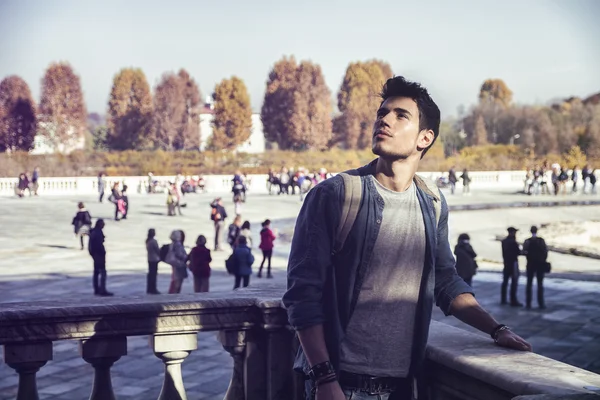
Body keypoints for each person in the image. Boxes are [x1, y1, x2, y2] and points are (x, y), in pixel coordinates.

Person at [283, 76, 531, 400]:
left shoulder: (433, 202)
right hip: (340, 385)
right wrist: (324, 379)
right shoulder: (335, 196)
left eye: (401, 115)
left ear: (424, 138)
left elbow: (444, 281)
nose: (384, 119)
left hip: (404, 386)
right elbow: (303, 295)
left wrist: (496, 329)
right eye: (382, 112)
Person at [523, 226, 548, 309]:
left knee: (529, 284)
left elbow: (524, 251)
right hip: (539, 265)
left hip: (530, 264)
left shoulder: (527, 241)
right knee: (540, 284)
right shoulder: (541, 241)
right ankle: (541, 303)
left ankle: (528, 303)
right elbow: (545, 252)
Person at [88, 219, 113, 296]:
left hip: (96, 255)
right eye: (103, 224)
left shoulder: (94, 232)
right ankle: (102, 290)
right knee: (102, 272)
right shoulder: (97, 232)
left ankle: (97, 289)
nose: (104, 225)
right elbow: (98, 245)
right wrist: (102, 253)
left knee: (96, 273)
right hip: (99, 255)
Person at [501, 227, 523, 307]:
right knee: (514, 282)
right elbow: (518, 252)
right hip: (513, 264)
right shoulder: (513, 242)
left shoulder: (504, 242)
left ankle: (503, 299)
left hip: (506, 263)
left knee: (505, 282)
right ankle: (513, 300)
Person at [166, 230, 188, 294]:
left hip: (175, 263)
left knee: (175, 279)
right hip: (179, 264)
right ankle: (175, 294)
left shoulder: (172, 244)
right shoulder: (178, 244)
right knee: (178, 281)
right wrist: (185, 256)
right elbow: (180, 254)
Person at [146, 229, 161, 294]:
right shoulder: (154, 241)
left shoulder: (147, 241)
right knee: (154, 274)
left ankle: (149, 288)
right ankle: (153, 289)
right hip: (154, 259)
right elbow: (157, 250)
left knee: (150, 274)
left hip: (149, 258)